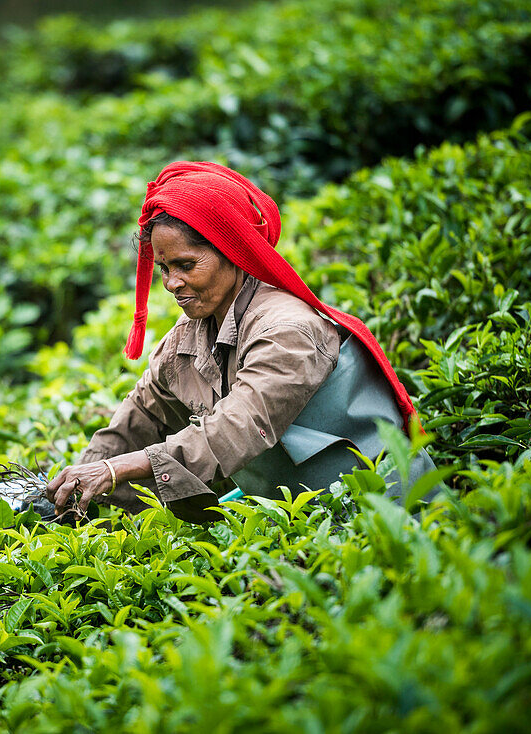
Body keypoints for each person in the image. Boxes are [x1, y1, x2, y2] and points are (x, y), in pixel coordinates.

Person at [47, 162, 430, 522]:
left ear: (232, 252)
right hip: (309, 521)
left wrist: (118, 470)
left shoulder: (287, 330)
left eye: (186, 265)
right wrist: (76, 485)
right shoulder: (188, 336)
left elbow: (240, 425)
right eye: (164, 268)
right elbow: (143, 416)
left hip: (394, 512)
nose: (171, 283)